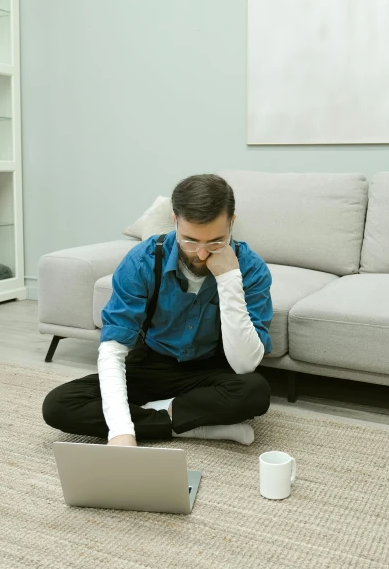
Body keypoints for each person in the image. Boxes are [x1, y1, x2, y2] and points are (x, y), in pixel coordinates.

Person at [42, 174, 273, 447]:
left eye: (215, 242)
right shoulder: (142, 260)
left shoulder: (251, 269)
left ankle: (153, 415)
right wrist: (119, 431)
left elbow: (244, 364)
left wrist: (228, 279)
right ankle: (194, 427)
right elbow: (113, 348)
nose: (201, 254)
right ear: (175, 220)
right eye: (189, 241)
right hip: (150, 364)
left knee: (255, 392)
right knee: (59, 405)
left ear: (232, 222)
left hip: (209, 370)